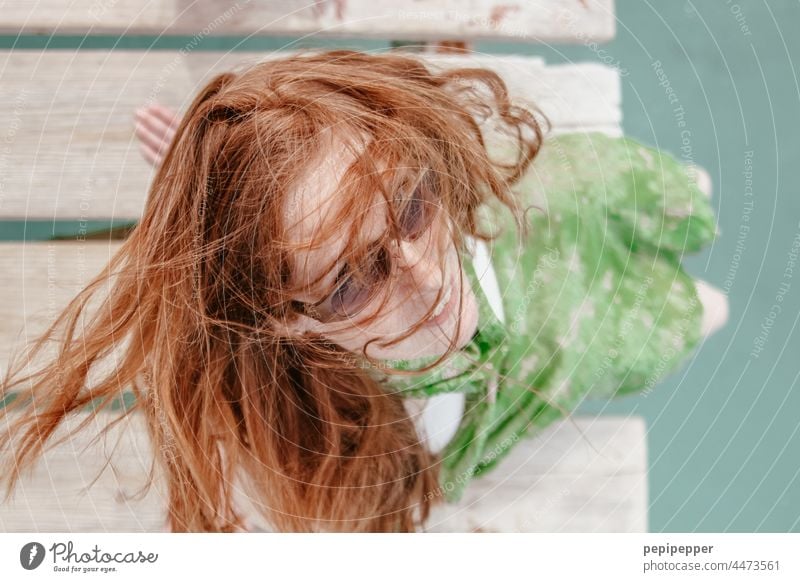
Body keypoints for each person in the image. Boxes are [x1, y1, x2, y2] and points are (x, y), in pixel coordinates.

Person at [1, 49, 727, 533]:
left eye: (411, 202)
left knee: (649, 188)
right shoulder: (346, 435)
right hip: (558, 340)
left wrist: (198, 194)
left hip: (523, 218)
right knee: (683, 320)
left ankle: (684, 211)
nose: (425, 274)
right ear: (288, 324)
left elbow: (334, 166)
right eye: (352, 279)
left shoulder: (440, 201)